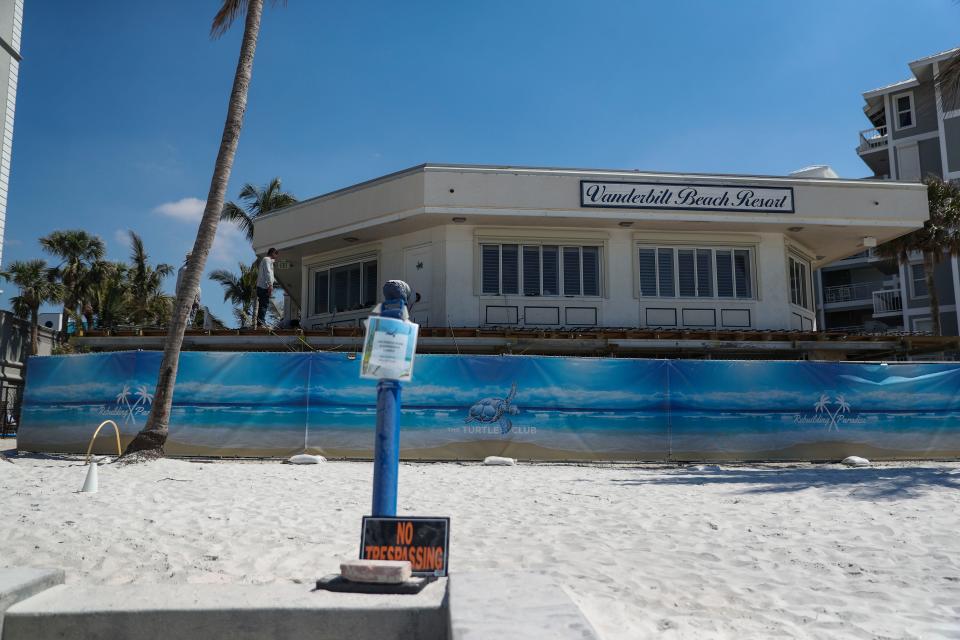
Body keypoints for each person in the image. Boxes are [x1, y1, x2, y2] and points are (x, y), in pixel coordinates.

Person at [176, 252, 201, 326]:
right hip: (190, 295)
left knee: (187, 314)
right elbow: (192, 284)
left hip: (183, 294)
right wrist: (196, 297)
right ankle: (189, 325)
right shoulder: (189, 269)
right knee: (189, 315)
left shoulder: (181, 269)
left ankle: (188, 325)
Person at [256, 248, 279, 329]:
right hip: (264, 287)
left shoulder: (267, 261)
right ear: (272, 253)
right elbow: (268, 272)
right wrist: (270, 285)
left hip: (262, 286)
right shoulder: (267, 259)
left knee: (263, 304)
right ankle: (260, 323)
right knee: (264, 305)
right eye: (276, 254)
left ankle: (260, 322)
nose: (276, 257)